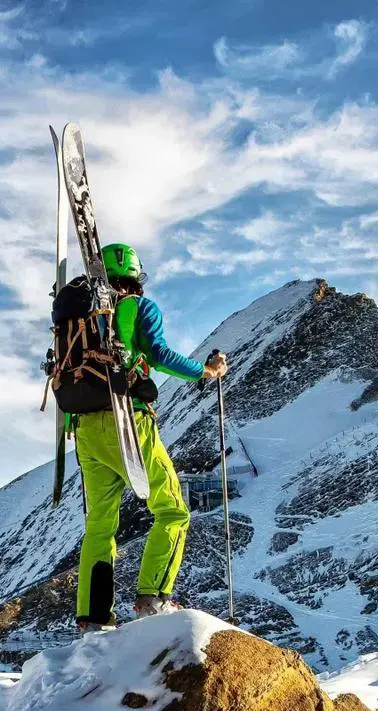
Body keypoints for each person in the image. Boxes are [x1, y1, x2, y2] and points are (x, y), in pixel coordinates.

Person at [75, 242, 227, 629]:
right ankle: (153, 598)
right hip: (128, 419)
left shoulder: (77, 318)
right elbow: (157, 353)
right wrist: (204, 373)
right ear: (135, 278)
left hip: (84, 428)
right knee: (173, 510)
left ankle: (93, 620)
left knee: (99, 526)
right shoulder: (140, 308)